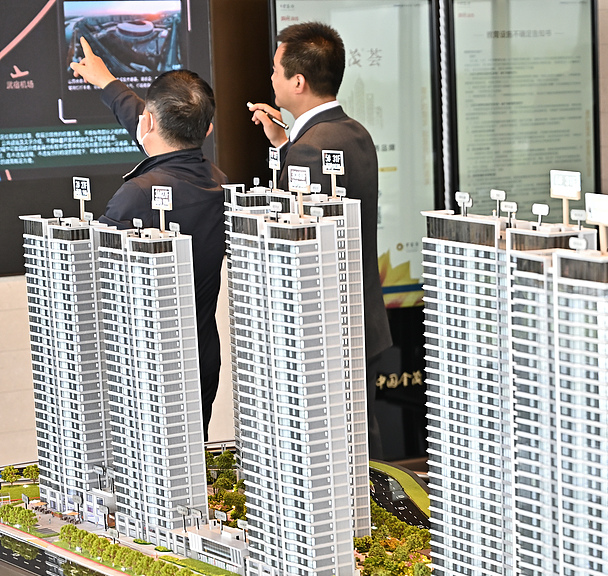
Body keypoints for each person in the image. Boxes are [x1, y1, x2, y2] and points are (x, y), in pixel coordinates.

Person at [70, 37, 226, 440]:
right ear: (208, 129)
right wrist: (107, 82)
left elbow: (89, 282)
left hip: (146, 372)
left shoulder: (136, 196)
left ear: (149, 123)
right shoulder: (219, 184)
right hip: (201, 359)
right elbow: (163, 138)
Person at [248, 22, 392, 457]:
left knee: (334, 453)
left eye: (276, 70)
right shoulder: (354, 132)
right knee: (362, 440)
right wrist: (283, 142)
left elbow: (295, 237)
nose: (271, 77)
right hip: (362, 317)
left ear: (298, 81)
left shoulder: (310, 148)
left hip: (327, 330)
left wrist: (288, 148)